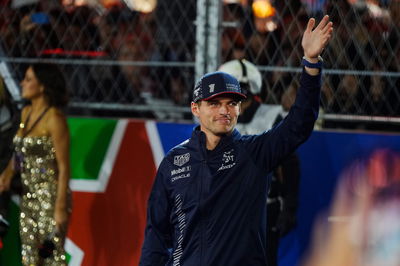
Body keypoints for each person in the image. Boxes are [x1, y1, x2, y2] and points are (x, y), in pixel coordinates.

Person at [139, 15, 333, 266]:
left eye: (231, 103)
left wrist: (311, 63)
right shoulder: (174, 162)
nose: (224, 111)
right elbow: (156, 233)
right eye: (214, 103)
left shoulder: (254, 153)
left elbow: (300, 123)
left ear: (239, 109)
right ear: (195, 108)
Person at [219, 59, 300, 266]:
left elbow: (289, 163)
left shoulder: (271, 117)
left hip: (262, 210)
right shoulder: (216, 120)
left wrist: (289, 206)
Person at [0, 63, 71, 265]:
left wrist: (60, 208)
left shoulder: (54, 119)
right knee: (29, 257)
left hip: (50, 196)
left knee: (51, 257)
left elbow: (64, 167)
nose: (22, 83)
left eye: (29, 79)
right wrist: (7, 174)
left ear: (42, 86)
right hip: (28, 195)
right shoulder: (25, 114)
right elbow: (20, 154)